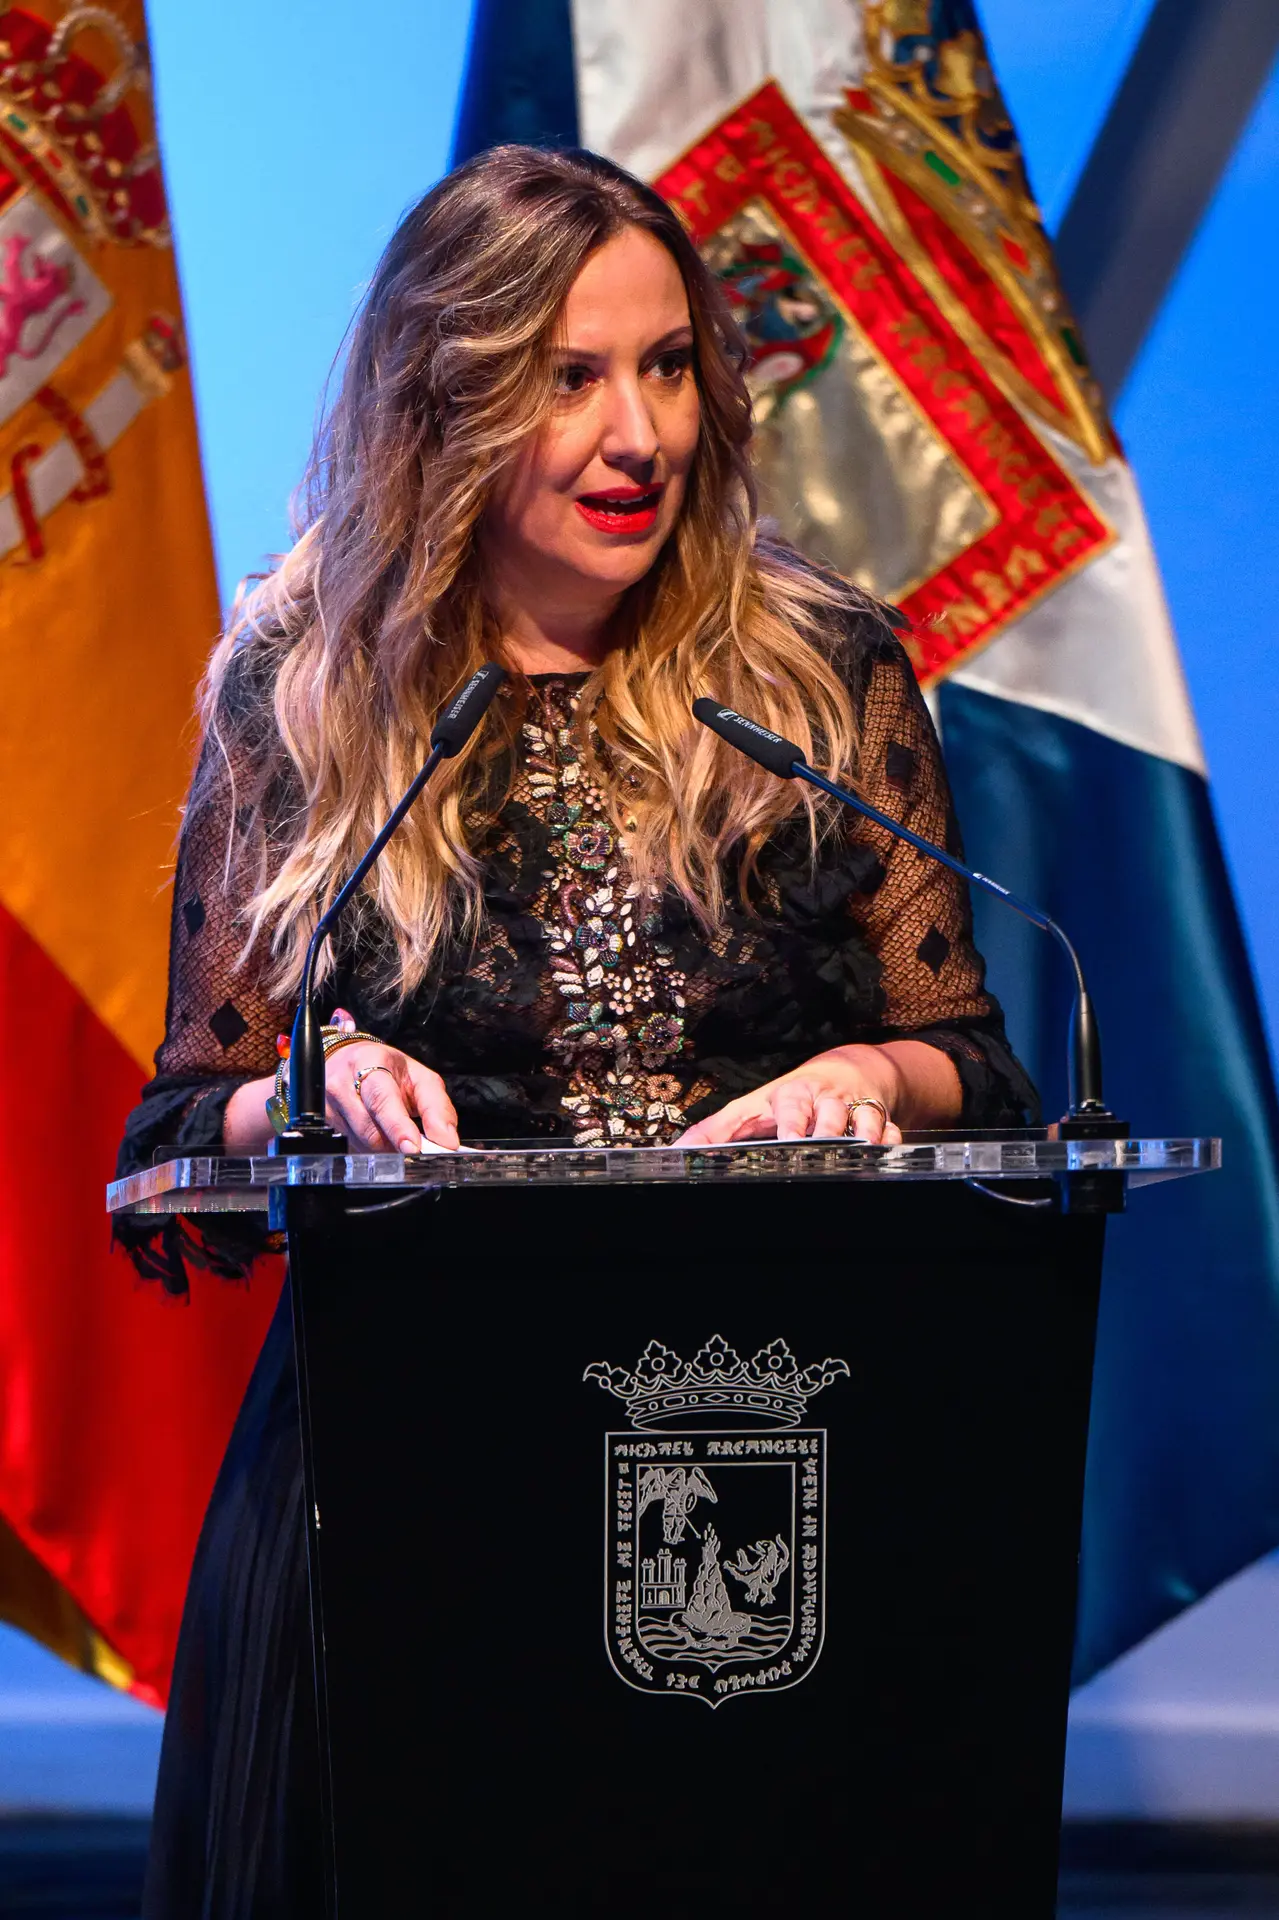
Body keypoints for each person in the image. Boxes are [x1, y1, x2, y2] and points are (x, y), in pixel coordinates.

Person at [117, 144, 1035, 1915]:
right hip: (402, 1483)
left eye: (669, 366)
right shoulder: (306, 689)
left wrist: (868, 1074)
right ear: (444, 399)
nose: (641, 435)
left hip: (768, 1474)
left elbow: (972, 1061)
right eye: (570, 377)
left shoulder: (817, 672)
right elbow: (186, 1119)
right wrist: (312, 1085)